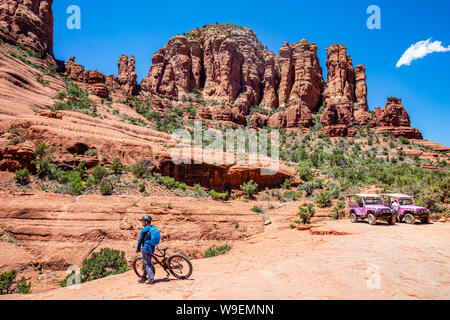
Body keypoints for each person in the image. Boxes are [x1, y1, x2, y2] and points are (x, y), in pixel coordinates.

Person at [136, 215, 155, 285]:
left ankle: (151, 279)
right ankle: (143, 277)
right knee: (146, 263)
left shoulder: (144, 230)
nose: (142, 222)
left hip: (146, 248)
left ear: (146, 222)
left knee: (147, 264)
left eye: (143, 221)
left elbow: (140, 240)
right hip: (152, 248)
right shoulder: (153, 228)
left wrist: (138, 248)